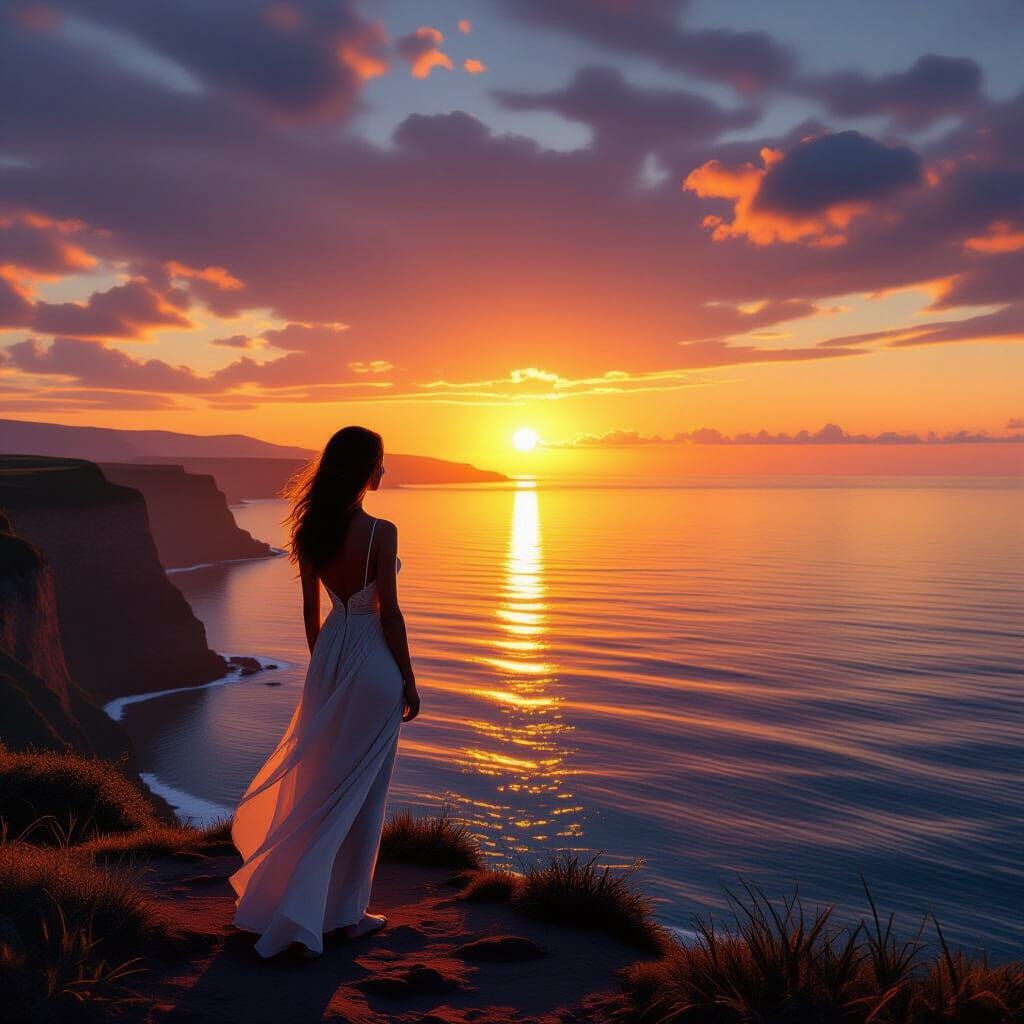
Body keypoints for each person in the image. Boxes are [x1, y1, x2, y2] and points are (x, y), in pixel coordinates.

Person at [229, 425, 421, 958]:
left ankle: (300, 901)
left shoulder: (310, 530)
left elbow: (310, 613)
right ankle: (347, 915)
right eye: (379, 462)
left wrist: (326, 669)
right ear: (364, 469)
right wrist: (408, 680)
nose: (383, 470)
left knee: (321, 783)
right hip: (374, 660)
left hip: (331, 653)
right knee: (364, 793)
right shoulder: (381, 531)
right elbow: (390, 614)